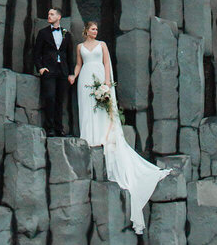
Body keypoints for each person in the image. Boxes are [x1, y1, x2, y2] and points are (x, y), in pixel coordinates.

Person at [69, 20, 170, 233]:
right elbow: (78, 64)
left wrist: (106, 83)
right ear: (86, 30)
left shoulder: (103, 45)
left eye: (97, 29)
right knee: (88, 109)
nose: (95, 32)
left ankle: (103, 138)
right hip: (85, 78)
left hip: (99, 77)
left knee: (101, 110)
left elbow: (107, 64)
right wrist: (74, 75)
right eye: (93, 29)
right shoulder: (79, 47)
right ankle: (90, 138)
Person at [32, 7, 74, 137]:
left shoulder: (66, 33)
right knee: (50, 97)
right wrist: (40, 68)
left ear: (59, 17)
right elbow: (36, 52)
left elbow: (69, 54)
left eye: (52, 14)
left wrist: (71, 73)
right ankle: (49, 127)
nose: (49, 16)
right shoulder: (43, 33)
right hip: (49, 70)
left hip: (62, 70)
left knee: (60, 99)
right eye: (48, 14)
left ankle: (59, 127)